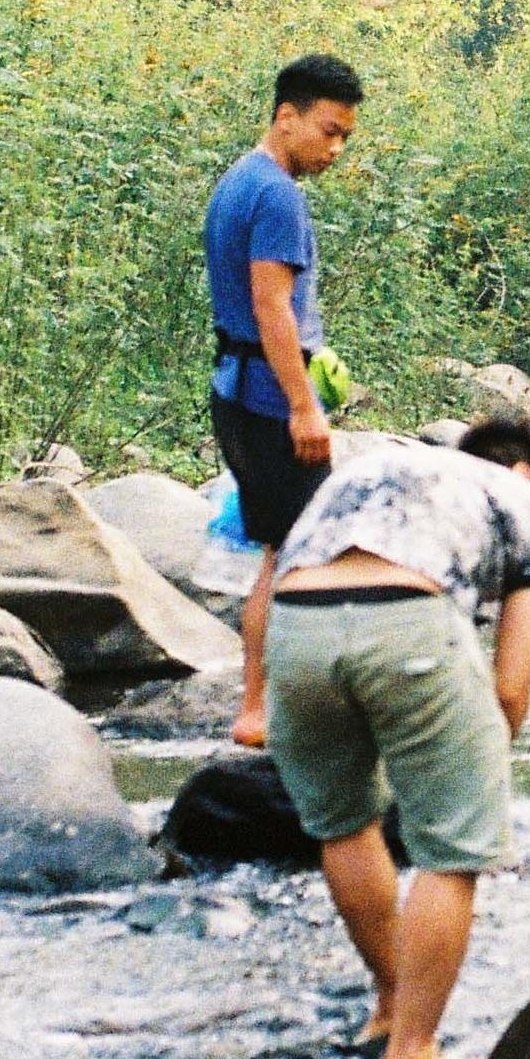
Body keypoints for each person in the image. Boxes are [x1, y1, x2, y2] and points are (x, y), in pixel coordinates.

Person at [263, 416, 530, 1059]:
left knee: (345, 823)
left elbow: (274, 563)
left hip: (295, 620)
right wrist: (479, 768)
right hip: (405, 616)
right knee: (452, 852)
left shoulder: (384, 467)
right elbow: (512, 684)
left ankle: (390, 1001)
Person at [206, 53, 364, 750]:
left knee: (284, 551)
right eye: (328, 131)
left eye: (345, 139)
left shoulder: (238, 180)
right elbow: (273, 308)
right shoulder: (277, 196)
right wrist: (305, 406)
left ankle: (262, 706)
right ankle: (267, 709)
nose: (334, 150)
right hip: (271, 401)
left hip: (237, 389)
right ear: (286, 116)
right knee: (305, 557)